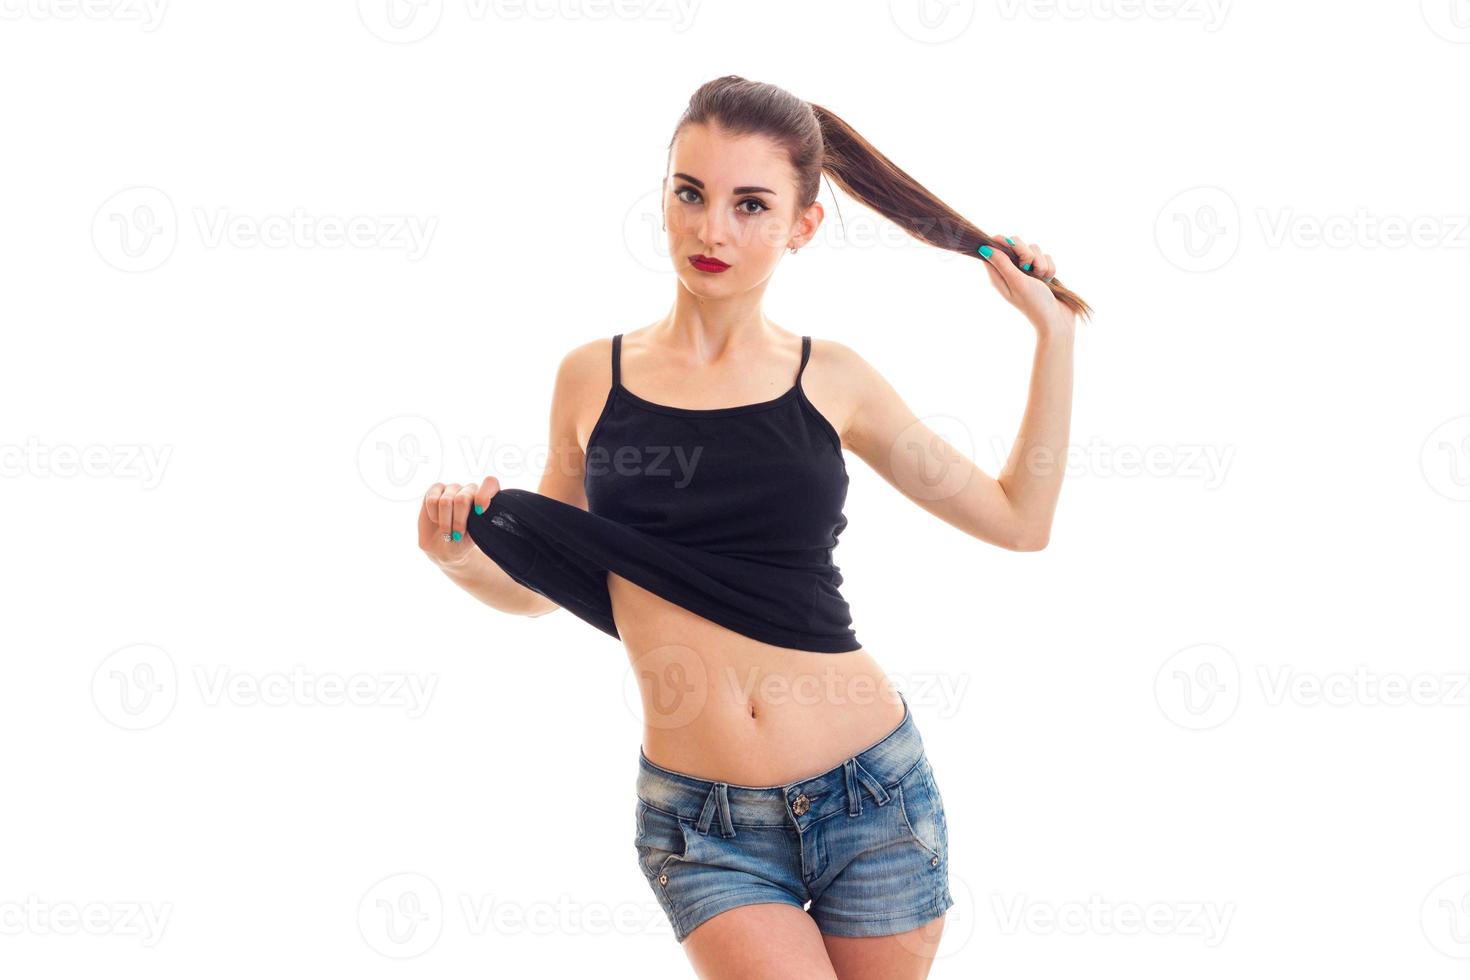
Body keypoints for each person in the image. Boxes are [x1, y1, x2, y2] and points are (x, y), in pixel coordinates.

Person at [417, 75, 1086, 979]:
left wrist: (1054, 340)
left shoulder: (834, 378)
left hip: (872, 794)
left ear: (802, 225)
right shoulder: (591, 378)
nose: (712, 230)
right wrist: (458, 558)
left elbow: (1019, 520)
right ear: (664, 195)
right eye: (690, 194)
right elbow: (546, 584)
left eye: (750, 204)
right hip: (705, 825)